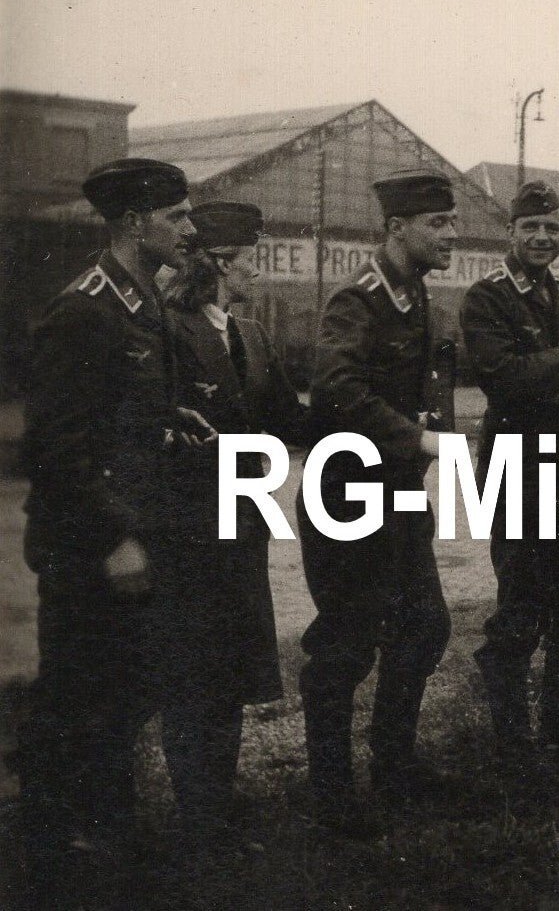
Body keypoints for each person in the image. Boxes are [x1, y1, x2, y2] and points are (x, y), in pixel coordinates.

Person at [17, 158, 198, 888]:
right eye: (177, 216)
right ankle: (55, 856)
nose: (190, 228)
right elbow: (56, 449)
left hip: (128, 529)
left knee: (121, 695)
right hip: (86, 546)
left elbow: (115, 409)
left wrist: (167, 415)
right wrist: (114, 538)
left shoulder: (139, 300)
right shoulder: (84, 308)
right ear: (134, 222)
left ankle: (106, 840)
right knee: (75, 700)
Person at [297, 169, 457, 836]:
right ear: (398, 228)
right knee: (346, 643)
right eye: (438, 224)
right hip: (348, 494)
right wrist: (415, 436)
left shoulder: (415, 298)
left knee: (424, 625)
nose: (452, 234)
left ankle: (393, 763)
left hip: (395, 493)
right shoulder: (357, 301)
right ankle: (328, 790)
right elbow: (334, 386)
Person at [159, 200, 311, 848]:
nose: (258, 266)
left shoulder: (249, 333)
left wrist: (358, 411)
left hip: (242, 524)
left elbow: (289, 421)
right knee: (194, 674)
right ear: (221, 262)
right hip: (191, 531)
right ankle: (198, 815)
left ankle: (215, 803)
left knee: (228, 675)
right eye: (251, 254)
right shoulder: (169, 329)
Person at [460, 180, 559, 756]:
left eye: (552, 228)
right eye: (531, 228)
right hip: (516, 469)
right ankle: (514, 742)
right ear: (511, 232)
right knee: (522, 609)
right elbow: (503, 379)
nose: (542, 238)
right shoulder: (487, 297)